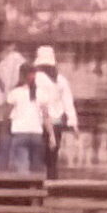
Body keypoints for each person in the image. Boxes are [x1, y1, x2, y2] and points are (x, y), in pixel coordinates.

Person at [31, 46, 77, 177]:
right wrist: (72, 121)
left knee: (39, 157)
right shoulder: (60, 80)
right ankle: (51, 183)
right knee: (51, 157)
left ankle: (40, 185)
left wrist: (72, 120)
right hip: (54, 122)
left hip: (39, 122)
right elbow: (68, 102)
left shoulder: (35, 79)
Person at [0, 69, 49, 174]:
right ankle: (37, 188)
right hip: (36, 133)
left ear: (21, 76)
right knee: (37, 166)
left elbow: (6, 114)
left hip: (20, 132)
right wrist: (52, 135)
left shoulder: (15, 93)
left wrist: (4, 129)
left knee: (22, 165)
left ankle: (25, 187)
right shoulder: (41, 93)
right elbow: (46, 116)